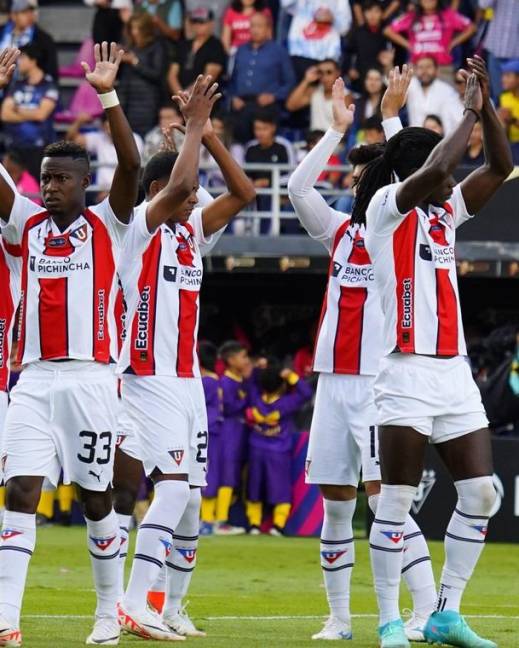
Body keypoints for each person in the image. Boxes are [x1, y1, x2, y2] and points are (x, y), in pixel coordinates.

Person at [353, 55, 512, 647]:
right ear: (414, 171)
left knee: (482, 494)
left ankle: (446, 612)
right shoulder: (384, 211)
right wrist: (466, 108)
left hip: (454, 375)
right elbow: (445, 162)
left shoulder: (444, 215)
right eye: (441, 172)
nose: (453, 178)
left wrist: (488, 106)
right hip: (402, 373)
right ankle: (391, 620)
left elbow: (499, 164)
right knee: (394, 504)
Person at [288, 67, 437, 643]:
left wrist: (390, 119)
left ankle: (424, 609)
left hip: (380, 381)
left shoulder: (399, 226)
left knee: (386, 502)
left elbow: (416, 176)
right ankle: (340, 618)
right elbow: (298, 190)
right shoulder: (337, 233)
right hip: (334, 381)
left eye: (362, 174)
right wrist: (334, 131)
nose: (353, 184)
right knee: (333, 503)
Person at [0, 42, 141, 647]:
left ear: (86, 185)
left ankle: (108, 611)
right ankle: (6, 619)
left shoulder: (109, 223)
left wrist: (108, 96)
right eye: (47, 177)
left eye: (62, 179)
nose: (51, 186)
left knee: (95, 497)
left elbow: (132, 166)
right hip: (32, 378)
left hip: (91, 378)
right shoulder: (24, 222)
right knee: (20, 491)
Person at [115, 75, 255, 639]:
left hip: (186, 381)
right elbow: (178, 188)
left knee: (192, 503)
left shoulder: (190, 232)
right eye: (187, 190)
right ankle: (132, 601)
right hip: (145, 377)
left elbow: (244, 193)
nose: (195, 196)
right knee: (171, 488)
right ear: (155, 189)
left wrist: (211, 135)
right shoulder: (134, 229)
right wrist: (193, 128)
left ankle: (169, 606)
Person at [245, 360, 312, 536]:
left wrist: (258, 370)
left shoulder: (255, 398)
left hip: (256, 448)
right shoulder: (287, 403)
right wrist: (290, 376)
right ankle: (278, 526)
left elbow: (251, 383)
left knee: (254, 487)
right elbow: (306, 393)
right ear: (282, 385)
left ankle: (254, 525)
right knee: (280, 488)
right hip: (279, 450)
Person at [229, 12, 295, 143]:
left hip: (266, 107)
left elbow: (290, 81)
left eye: (259, 26)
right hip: (241, 106)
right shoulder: (241, 50)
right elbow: (233, 80)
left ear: (268, 29)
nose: (255, 30)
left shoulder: (278, 51)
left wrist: (274, 96)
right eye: (252, 26)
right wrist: (233, 97)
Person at [1, 42, 58, 180]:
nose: (19, 62)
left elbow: (41, 115)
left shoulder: (49, 86)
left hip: (39, 149)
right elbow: (4, 114)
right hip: (14, 148)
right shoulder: (16, 85)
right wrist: (30, 113)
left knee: (36, 192)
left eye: (22, 58)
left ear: (33, 60)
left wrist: (17, 109)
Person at [214, 340, 252, 534]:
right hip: (229, 431)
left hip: (241, 432)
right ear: (231, 360)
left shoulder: (240, 381)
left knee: (236, 477)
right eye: (243, 357)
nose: (247, 361)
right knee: (227, 475)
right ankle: (219, 521)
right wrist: (248, 398)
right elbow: (229, 407)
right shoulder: (226, 382)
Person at [66, 112, 144, 199]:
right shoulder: (100, 138)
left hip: (126, 192)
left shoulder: (135, 139)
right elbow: (70, 142)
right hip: (101, 194)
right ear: (103, 127)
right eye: (107, 127)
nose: (111, 131)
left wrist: (112, 193)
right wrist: (79, 122)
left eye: (113, 126)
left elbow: (133, 169)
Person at [384, 0, 475, 74]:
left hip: (442, 68)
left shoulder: (448, 15)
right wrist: (409, 45)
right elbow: (388, 30)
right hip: (416, 68)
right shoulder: (411, 16)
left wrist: (453, 43)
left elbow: (472, 28)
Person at [118, 12, 169, 137]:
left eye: (138, 28)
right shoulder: (129, 47)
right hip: (129, 100)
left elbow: (157, 74)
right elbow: (123, 79)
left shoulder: (157, 46)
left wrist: (134, 61)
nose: (135, 32)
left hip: (148, 101)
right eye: (132, 27)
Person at [245, 111, 292, 234]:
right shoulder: (251, 148)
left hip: (281, 190)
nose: (260, 133)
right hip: (254, 190)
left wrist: (269, 182)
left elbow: (292, 173)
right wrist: (251, 183)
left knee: (267, 195)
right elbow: (245, 174)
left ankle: (265, 235)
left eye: (264, 129)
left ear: (273, 128)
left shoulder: (283, 146)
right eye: (257, 129)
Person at [281, 0, 351, 81]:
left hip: (326, 56)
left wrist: (333, 18)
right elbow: (285, 3)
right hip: (299, 53)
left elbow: (345, 28)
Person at [168, 8, 226, 95]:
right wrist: (181, 96)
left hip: (204, 100)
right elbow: (172, 75)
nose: (197, 25)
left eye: (202, 22)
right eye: (194, 21)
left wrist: (188, 95)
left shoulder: (216, 46)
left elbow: (209, 77)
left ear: (211, 24)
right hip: (179, 98)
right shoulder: (183, 45)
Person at [199, 341, 224, 535]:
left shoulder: (207, 381)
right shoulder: (213, 380)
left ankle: (207, 520)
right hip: (210, 429)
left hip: (207, 431)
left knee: (206, 473)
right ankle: (206, 519)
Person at [0, 0, 58, 80]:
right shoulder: (2, 32)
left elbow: (51, 71)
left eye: (30, 11)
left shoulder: (44, 39)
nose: (29, 15)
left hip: (28, 88)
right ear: (13, 15)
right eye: (24, 12)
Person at [406, 55, 464, 135]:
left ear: (437, 70)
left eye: (428, 67)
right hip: (414, 141)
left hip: (440, 142)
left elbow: (459, 119)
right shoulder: (411, 85)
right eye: (420, 67)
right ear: (415, 70)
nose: (424, 71)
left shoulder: (447, 91)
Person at [344, 0, 393, 89]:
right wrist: (349, 69)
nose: (372, 15)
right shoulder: (357, 33)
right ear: (364, 13)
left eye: (376, 11)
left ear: (382, 13)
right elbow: (348, 53)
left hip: (380, 79)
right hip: (359, 79)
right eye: (369, 11)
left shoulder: (387, 33)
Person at [286, 59, 345, 132]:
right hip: (313, 140)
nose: (325, 76)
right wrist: (306, 80)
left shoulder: (346, 95)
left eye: (329, 72)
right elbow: (291, 106)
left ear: (338, 73)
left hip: (335, 141)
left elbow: (343, 124)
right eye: (321, 73)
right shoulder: (314, 91)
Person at [498, 60, 519, 163]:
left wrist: (512, 120)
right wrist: (503, 122)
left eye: (508, 76)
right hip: (511, 146)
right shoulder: (504, 97)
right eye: (503, 76)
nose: (503, 80)